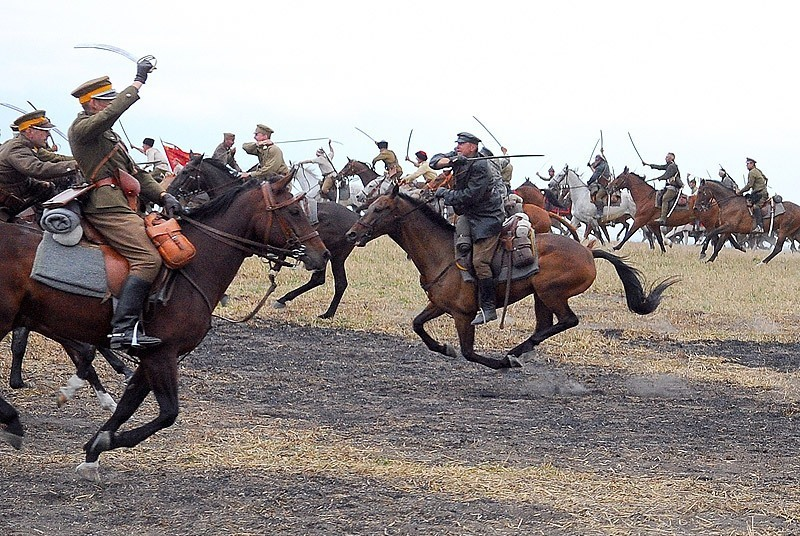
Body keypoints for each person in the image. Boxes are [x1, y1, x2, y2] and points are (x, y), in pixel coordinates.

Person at [68, 62, 183, 351]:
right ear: (92, 103)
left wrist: (161, 195)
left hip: (124, 203)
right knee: (149, 258)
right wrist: (138, 82)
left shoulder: (108, 137)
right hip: (106, 207)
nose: (109, 106)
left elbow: (136, 172)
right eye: (105, 101)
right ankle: (123, 329)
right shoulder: (83, 129)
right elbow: (112, 114)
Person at [430, 132, 504, 325]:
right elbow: (434, 161)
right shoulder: (459, 157)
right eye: (457, 144)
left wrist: (445, 193)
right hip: (468, 214)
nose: (457, 147)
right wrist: (448, 161)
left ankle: (488, 307)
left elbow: (470, 195)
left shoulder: (481, 167)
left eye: (461, 144)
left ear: (472, 147)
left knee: (480, 262)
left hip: (486, 217)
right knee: (458, 250)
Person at [0, 110, 77, 221]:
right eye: (44, 131)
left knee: (48, 188)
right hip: (5, 204)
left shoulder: (21, 145)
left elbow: (17, 178)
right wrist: (75, 165)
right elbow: (37, 169)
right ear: (29, 131)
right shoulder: (16, 148)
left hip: (15, 194)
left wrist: (43, 185)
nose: (48, 135)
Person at [643, 152, 682, 224]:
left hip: (673, 188)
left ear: (672, 158)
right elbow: (659, 167)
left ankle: (663, 218)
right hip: (668, 187)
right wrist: (648, 165)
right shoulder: (668, 166)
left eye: (667, 157)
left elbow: (667, 175)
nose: (665, 158)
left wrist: (659, 178)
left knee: (665, 199)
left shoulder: (672, 166)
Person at [737, 157, 768, 233]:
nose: (747, 165)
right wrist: (763, 186)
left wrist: (740, 192)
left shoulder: (752, 172)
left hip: (760, 194)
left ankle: (760, 226)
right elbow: (766, 178)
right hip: (760, 192)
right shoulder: (758, 170)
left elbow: (749, 185)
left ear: (752, 164)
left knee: (756, 206)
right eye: (746, 164)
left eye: (748, 164)